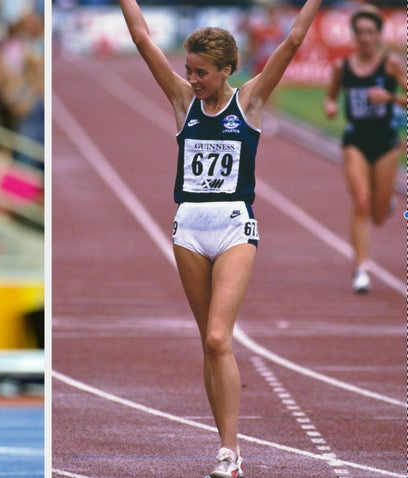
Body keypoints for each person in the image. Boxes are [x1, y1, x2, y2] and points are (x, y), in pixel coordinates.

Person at [118, 1, 321, 476]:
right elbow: (143, 39)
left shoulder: (247, 102)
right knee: (207, 343)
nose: (192, 79)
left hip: (233, 224)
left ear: (227, 70)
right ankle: (223, 445)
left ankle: (230, 454)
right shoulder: (181, 103)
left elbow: (292, 42)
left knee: (216, 337)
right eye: (188, 70)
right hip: (188, 228)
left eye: (202, 73)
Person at [324, 4, 405, 294]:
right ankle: (361, 269)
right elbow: (330, 97)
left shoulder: (391, 65)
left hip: (385, 143)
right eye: (360, 32)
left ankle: (384, 205)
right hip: (355, 141)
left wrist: (390, 98)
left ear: (379, 35)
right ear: (354, 36)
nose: (366, 37)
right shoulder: (342, 67)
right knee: (360, 203)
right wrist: (331, 105)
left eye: (371, 32)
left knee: (379, 216)